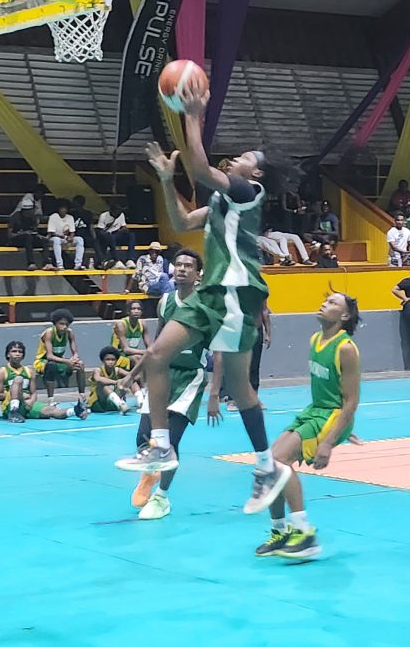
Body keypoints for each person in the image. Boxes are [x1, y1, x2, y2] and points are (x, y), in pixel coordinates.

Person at [115, 85, 295, 518]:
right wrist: (163, 179)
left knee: (232, 384)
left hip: (234, 289)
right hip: (217, 291)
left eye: (247, 156)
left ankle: (263, 468)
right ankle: (166, 447)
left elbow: (197, 166)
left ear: (256, 174)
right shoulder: (221, 199)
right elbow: (179, 221)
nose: (237, 157)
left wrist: (193, 114)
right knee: (167, 359)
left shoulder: (248, 193)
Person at [256, 292, 361, 561]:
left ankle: (305, 535)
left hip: (330, 417)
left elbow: (350, 401)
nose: (324, 304)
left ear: (345, 316)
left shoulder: (346, 348)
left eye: (332, 304)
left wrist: (330, 440)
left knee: (279, 460)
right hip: (314, 411)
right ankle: (280, 531)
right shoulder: (315, 340)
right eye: (325, 301)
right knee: (268, 464)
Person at [130, 248, 223, 520]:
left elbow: (218, 353)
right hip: (162, 375)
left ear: (198, 273)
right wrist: (139, 372)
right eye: (178, 264)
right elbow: (157, 344)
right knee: (142, 436)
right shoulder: (165, 301)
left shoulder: (206, 308)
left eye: (188, 265)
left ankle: (162, 497)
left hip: (190, 377)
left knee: (170, 441)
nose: (182, 269)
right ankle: (150, 473)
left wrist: (215, 393)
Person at [0, 341, 82, 423]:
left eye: (20, 352)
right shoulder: (2, 372)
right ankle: (14, 411)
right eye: (14, 351)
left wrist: (31, 401)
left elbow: (33, 393)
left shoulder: (29, 371)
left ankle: (75, 411)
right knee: (18, 379)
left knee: (50, 410)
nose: (17, 354)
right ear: (8, 354)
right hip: (9, 405)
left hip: (26, 404)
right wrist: (17, 394)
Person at [33, 308, 90, 415]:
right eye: (61, 324)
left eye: (66, 324)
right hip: (43, 362)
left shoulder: (69, 333)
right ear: (55, 323)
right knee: (51, 366)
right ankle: (51, 400)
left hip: (60, 361)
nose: (64, 327)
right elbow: (49, 356)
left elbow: (74, 348)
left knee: (80, 364)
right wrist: (67, 361)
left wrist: (75, 357)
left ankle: (82, 397)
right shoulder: (49, 333)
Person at [89, 346, 135, 414]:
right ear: (103, 360)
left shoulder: (118, 370)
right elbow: (98, 379)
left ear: (116, 361)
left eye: (113, 360)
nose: (110, 362)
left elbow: (133, 376)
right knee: (102, 385)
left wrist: (125, 381)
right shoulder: (97, 370)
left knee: (128, 380)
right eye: (107, 359)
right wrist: (116, 382)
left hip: (111, 404)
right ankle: (120, 404)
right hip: (98, 404)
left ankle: (141, 402)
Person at [95, 200, 136, 269]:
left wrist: (124, 230)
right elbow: (100, 230)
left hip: (117, 233)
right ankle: (117, 260)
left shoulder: (121, 215)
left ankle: (130, 259)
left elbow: (123, 226)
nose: (118, 213)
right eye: (117, 211)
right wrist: (106, 234)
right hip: (106, 235)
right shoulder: (104, 216)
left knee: (131, 235)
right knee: (110, 237)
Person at [46, 202, 84, 271]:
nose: (63, 210)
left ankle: (78, 264)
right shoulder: (53, 216)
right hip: (55, 238)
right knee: (56, 240)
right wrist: (64, 237)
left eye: (65, 208)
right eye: (62, 208)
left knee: (80, 239)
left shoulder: (70, 217)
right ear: (58, 209)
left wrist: (71, 237)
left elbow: (72, 231)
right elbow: (52, 232)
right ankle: (60, 265)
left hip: (66, 239)